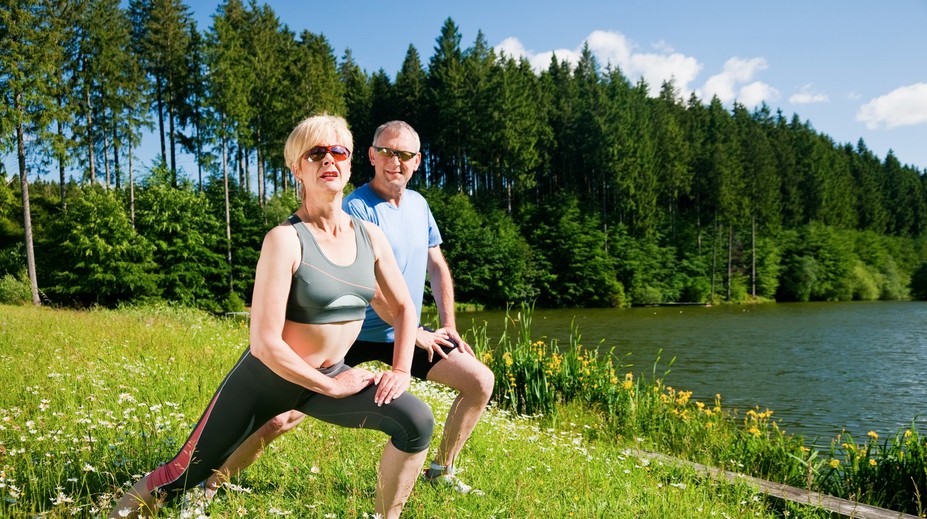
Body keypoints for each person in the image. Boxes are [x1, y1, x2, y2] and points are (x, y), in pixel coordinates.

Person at [108, 114, 433, 519]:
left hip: (327, 376)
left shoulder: (371, 237)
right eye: (315, 153)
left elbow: (403, 307)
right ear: (297, 168)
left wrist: (400, 370)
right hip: (265, 380)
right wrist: (332, 387)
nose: (328, 159)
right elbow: (264, 344)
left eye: (338, 151)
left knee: (416, 421)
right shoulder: (284, 240)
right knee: (180, 474)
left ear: (350, 163)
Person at [206, 120, 494, 496]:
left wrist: (447, 324)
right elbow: (363, 287)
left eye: (404, 154)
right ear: (371, 156)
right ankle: (212, 481)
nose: (395, 161)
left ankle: (441, 470)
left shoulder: (420, 205)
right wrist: (414, 332)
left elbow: (436, 265)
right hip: (349, 335)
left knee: (479, 381)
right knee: (280, 420)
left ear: (417, 161)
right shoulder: (355, 206)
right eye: (386, 152)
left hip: (401, 332)